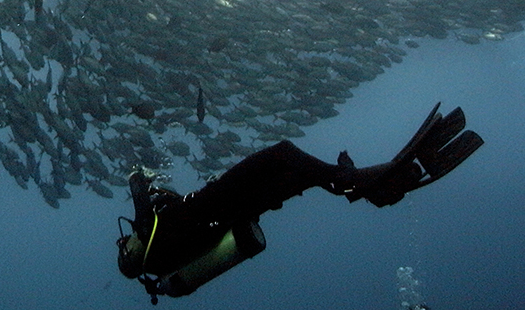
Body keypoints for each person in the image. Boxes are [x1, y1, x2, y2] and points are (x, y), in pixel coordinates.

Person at [116, 103, 483, 302]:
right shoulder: (152, 243)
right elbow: (142, 204)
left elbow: (170, 212)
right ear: (132, 257)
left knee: (300, 175)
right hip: (223, 200)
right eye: (127, 244)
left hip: (235, 210)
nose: (129, 236)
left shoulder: (166, 251)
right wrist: (136, 178)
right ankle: (350, 180)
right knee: (283, 153)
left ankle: (373, 187)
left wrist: (158, 192)